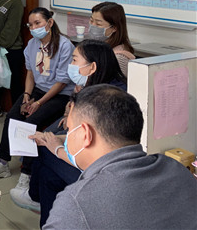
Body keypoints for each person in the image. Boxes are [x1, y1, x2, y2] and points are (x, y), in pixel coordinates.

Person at [42, 84, 197, 229]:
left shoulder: (75, 204)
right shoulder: (176, 169)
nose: (67, 136)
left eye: (69, 129)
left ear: (85, 134)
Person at [11, 40, 127, 224]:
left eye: (74, 60)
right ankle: (44, 212)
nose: (70, 65)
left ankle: (34, 197)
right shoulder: (95, 87)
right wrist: (54, 138)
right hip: (94, 158)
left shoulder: (110, 98)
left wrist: (56, 147)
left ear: (92, 67)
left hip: (104, 172)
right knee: (48, 175)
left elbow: (94, 147)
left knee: (44, 150)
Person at [0, 8, 74, 194]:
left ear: (50, 23)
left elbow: (62, 82)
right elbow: (31, 73)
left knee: (31, 123)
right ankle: (2, 161)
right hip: (38, 90)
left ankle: (27, 173)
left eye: (37, 23)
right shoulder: (32, 44)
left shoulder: (65, 46)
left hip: (60, 94)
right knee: (12, 117)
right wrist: (26, 95)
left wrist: (38, 103)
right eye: (30, 25)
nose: (33, 28)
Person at [88, 2, 135, 75]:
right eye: (91, 21)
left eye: (98, 24)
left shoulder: (119, 58)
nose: (92, 26)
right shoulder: (96, 47)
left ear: (114, 28)